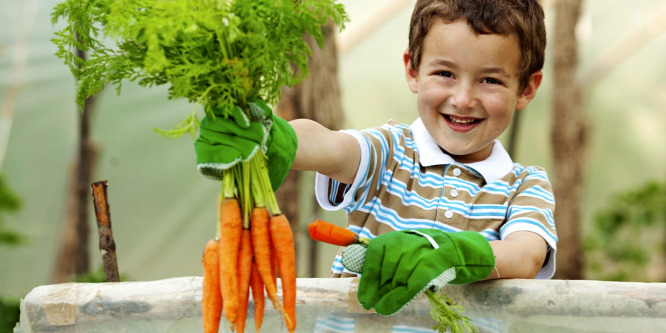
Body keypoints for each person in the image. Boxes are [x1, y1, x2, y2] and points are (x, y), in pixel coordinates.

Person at [195, 0, 557, 318]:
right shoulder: (391, 150)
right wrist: (279, 138)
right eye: (445, 74)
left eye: (490, 80)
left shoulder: (524, 184)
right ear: (413, 70)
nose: (463, 99)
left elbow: (526, 255)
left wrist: (451, 252)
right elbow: (332, 146)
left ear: (526, 88)